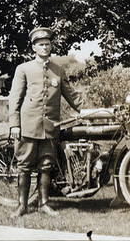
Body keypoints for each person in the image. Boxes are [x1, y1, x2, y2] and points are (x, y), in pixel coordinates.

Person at [9, 27, 83, 218]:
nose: (45, 47)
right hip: (28, 125)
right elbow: (15, 99)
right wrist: (14, 124)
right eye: (41, 45)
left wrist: (87, 111)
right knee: (24, 165)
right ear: (34, 47)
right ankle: (21, 206)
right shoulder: (23, 69)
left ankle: (44, 204)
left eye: (47, 44)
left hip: (51, 127)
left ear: (51, 46)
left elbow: (72, 95)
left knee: (46, 165)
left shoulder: (58, 70)